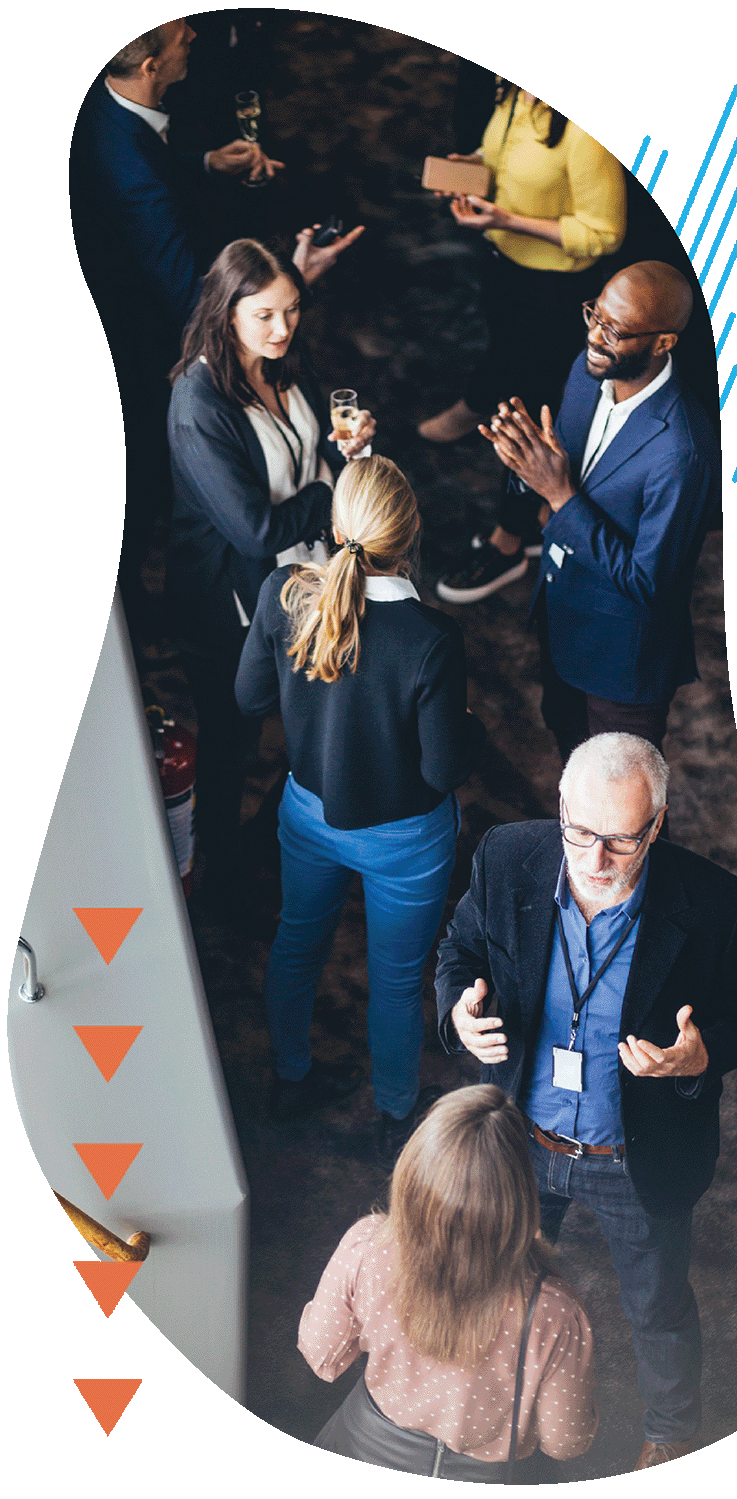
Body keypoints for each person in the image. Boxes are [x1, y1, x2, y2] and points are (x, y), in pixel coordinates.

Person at [435, 733, 737, 1470]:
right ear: (561, 808)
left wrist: (700, 1056)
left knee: (656, 1306)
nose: (596, 861)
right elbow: (460, 949)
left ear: (657, 824)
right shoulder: (507, 858)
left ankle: (670, 1434)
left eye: (623, 841)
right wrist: (457, 1013)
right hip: (521, 1141)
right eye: (581, 833)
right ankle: (491, 1409)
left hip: (636, 1154)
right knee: (496, 1286)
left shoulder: (714, 905)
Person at [70, 17, 364, 634]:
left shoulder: (105, 108)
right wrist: (294, 283)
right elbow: (194, 303)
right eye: (180, 37)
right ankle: (126, 611)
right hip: (143, 346)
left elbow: (145, 154)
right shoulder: (143, 185)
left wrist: (203, 163)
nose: (194, 38)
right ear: (152, 67)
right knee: (151, 485)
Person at [234, 456, 485, 1155]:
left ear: (335, 526)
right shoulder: (433, 641)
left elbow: (248, 699)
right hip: (404, 840)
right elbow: (442, 766)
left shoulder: (284, 592)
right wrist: (471, 723)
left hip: (308, 816)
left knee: (295, 943)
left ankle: (289, 1078)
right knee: (399, 983)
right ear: (410, 537)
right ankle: (395, 1113)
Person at [166, 238, 375, 917]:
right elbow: (254, 529)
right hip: (232, 602)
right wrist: (329, 497)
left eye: (291, 311)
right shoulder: (199, 405)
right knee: (232, 738)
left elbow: (312, 450)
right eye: (264, 315)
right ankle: (217, 873)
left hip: (301, 581)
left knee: (316, 721)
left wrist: (344, 456)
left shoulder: (281, 361)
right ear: (227, 313)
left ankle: (270, 845)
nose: (283, 328)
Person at [477, 261, 720, 763]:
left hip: (621, 662)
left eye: (615, 329)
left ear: (663, 343)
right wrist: (524, 463)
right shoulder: (589, 373)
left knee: (623, 801)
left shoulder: (683, 450)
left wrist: (560, 496)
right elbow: (557, 471)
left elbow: (648, 582)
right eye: (595, 314)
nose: (595, 334)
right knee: (568, 747)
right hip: (561, 618)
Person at [300, 1086, 597, 1479]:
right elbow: (565, 1442)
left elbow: (323, 1357)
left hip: (362, 1449)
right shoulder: (555, 1312)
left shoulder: (368, 1247)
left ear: (413, 1171)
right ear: (519, 1194)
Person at [422, 81, 626, 603]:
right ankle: (533, 514)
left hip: (554, 292)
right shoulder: (515, 94)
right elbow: (509, 161)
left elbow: (604, 232)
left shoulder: (584, 128)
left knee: (529, 415)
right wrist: (471, 168)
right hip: (505, 268)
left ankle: (510, 542)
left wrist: (508, 219)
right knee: (508, 373)